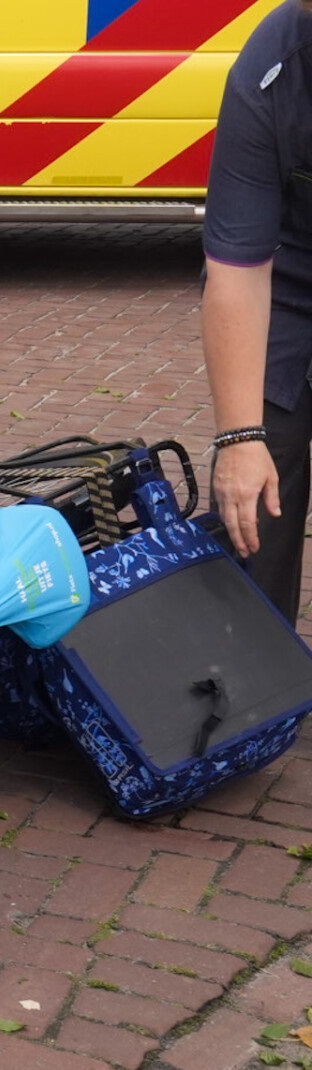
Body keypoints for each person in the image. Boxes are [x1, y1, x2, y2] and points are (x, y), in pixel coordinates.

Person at [202, 0, 312, 623]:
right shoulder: (274, 63)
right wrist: (240, 440)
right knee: (253, 496)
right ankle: (253, 669)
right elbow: (238, 270)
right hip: (291, 285)